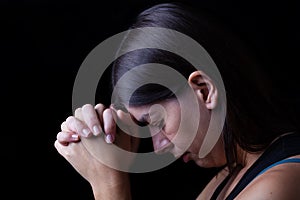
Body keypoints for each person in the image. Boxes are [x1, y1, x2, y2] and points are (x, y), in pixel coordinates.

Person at [54, 2, 300, 199]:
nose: (160, 147)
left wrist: (109, 183)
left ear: (203, 90)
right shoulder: (231, 174)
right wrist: (114, 151)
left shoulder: (282, 181)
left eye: (158, 121)